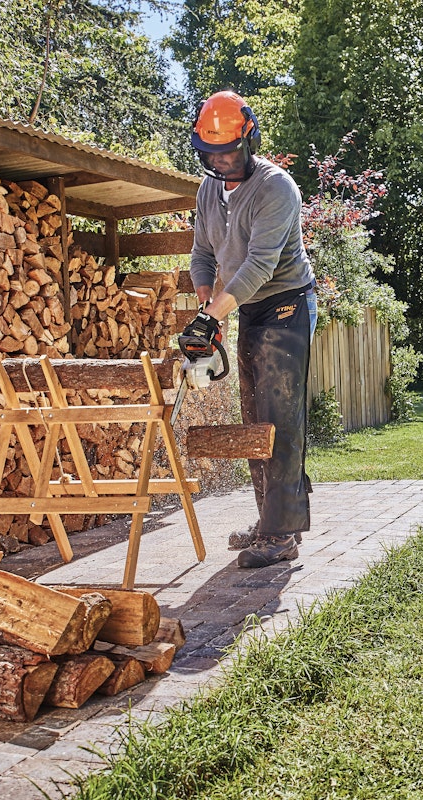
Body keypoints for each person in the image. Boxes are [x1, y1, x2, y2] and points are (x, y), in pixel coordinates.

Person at [186, 90, 316, 568]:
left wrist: (213, 315)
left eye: (230, 153)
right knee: (253, 420)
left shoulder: (275, 187)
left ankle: (282, 536)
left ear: (250, 140)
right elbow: (202, 254)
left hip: (285, 303)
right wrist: (206, 309)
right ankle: (269, 521)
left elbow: (260, 265)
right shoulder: (207, 190)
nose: (221, 163)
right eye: (212, 155)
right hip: (244, 307)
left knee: (279, 421)